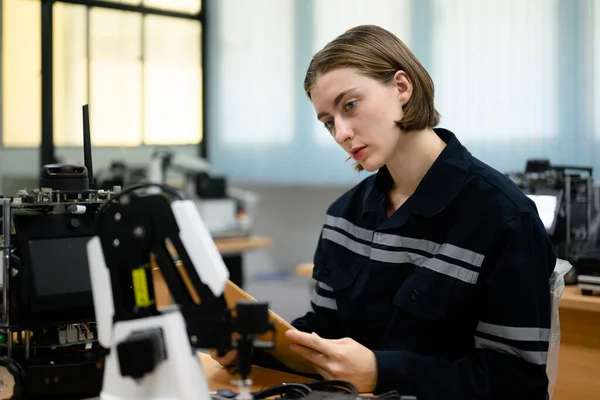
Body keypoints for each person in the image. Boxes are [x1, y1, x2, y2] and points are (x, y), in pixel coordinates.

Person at [213, 25, 556, 399]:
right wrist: (255, 347)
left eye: (350, 105)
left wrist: (381, 373)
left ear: (402, 88)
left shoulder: (503, 217)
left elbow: (518, 383)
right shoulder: (343, 215)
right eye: (329, 122)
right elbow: (326, 329)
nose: (341, 133)